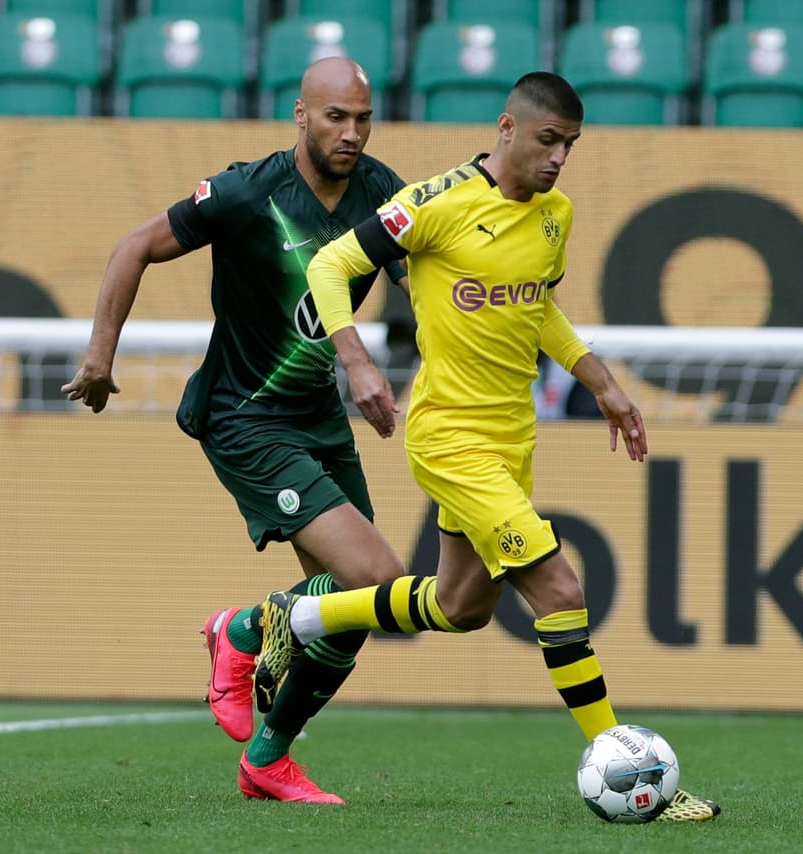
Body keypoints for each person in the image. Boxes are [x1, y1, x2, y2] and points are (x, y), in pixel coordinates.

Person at [251, 71, 721, 822]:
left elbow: (538, 307)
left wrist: (601, 381)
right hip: (450, 438)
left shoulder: (554, 215)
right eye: (547, 140)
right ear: (507, 128)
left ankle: (297, 617)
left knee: (461, 604)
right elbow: (331, 264)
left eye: (570, 145)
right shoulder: (433, 205)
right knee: (560, 592)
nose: (559, 158)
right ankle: (630, 772)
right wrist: (358, 359)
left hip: (511, 441)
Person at [61, 57, 412, 804]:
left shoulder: (382, 191)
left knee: (361, 606)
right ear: (300, 115)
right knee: (376, 580)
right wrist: (99, 358)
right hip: (244, 417)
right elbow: (136, 247)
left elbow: (425, 279)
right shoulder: (248, 191)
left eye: (362, 118)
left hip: (319, 416)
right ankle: (246, 630)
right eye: (335, 118)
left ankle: (268, 756)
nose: (351, 134)